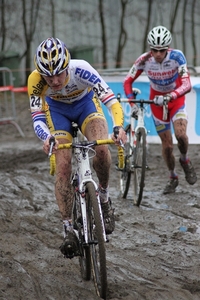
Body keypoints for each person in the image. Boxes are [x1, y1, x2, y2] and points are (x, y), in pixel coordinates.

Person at [27, 37, 127, 257]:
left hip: (86, 105)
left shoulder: (82, 69)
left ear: (67, 66)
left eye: (58, 74)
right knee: (63, 166)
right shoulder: (35, 80)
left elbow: (111, 101)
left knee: (101, 149)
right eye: (47, 75)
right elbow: (37, 118)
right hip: (57, 112)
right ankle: (68, 228)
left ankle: (103, 196)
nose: (53, 81)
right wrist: (47, 137)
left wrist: (119, 127)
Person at [123, 25, 197, 194]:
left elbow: (186, 83)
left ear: (167, 48)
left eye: (161, 50)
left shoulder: (177, 57)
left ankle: (185, 160)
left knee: (181, 136)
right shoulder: (143, 60)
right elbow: (127, 81)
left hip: (175, 100)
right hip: (156, 104)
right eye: (154, 50)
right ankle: (173, 177)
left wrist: (172, 95)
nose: (157, 54)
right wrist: (132, 103)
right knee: (168, 147)